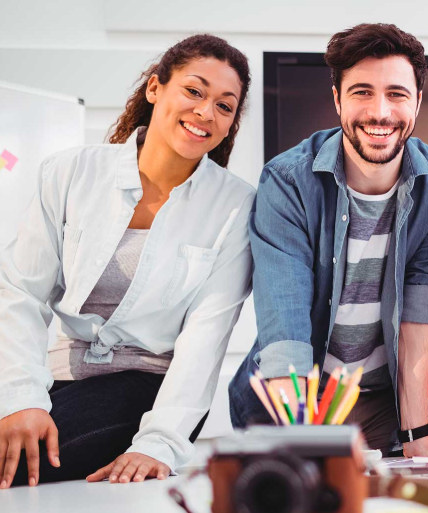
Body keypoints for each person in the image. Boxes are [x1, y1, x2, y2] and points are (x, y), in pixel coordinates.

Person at [0, 34, 255, 487]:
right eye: (194, 91)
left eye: (224, 105)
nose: (205, 113)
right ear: (155, 89)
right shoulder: (70, 172)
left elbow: (205, 338)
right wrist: (22, 398)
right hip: (58, 378)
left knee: (16, 465)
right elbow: (21, 291)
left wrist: (158, 442)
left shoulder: (235, 207)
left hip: (149, 391)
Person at [228, 23, 428, 457]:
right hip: (285, 406)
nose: (380, 112)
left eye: (396, 93)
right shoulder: (286, 181)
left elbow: (421, 301)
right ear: (337, 99)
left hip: (378, 414)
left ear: (417, 102)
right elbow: (286, 314)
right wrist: (303, 438)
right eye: (361, 92)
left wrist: (417, 436)